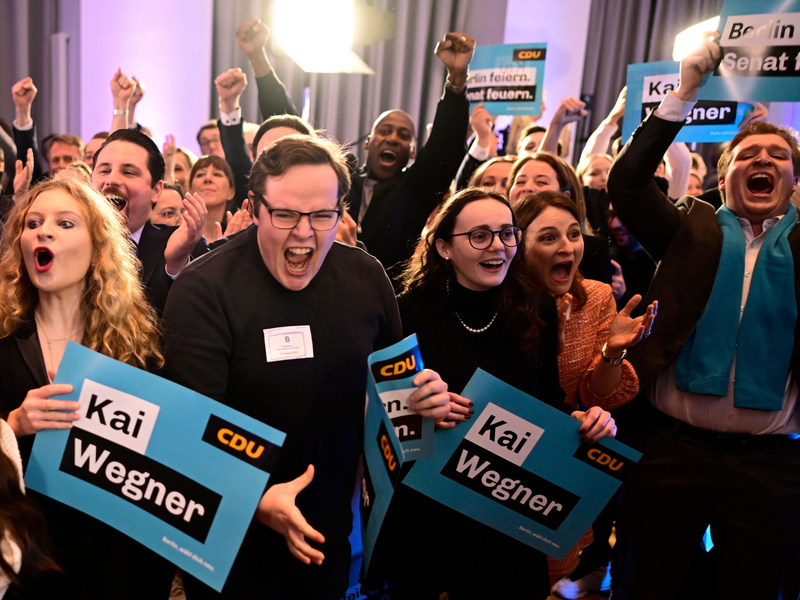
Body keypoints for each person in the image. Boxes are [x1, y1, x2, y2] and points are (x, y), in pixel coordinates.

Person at [161, 135, 449, 599]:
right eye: (286, 215)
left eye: (321, 215)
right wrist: (255, 498)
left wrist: (420, 401)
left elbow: (391, 400)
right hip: (228, 537)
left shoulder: (366, 279)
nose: (303, 232)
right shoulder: (204, 288)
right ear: (254, 208)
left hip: (327, 534)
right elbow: (192, 424)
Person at [608, 34, 800, 600]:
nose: (762, 160)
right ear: (724, 173)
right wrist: (686, 89)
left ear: (795, 180)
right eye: (748, 154)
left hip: (771, 468)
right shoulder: (689, 228)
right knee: (646, 585)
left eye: (779, 157)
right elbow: (627, 183)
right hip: (670, 453)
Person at [369, 188, 616, 600]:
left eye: (506, 233)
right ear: (444, 247)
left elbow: (547, 398)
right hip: (431, 507)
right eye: (480, 236)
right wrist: (417, 409)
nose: (498, 246)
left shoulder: (535, 305)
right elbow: (381, 415)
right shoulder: (408, 310)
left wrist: (580, 421)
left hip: (506, 506)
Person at [0, 178, 173, 599]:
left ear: (98, 246)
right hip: (26, 565)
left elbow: (168, 457)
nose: (44, 231)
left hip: (115, 565)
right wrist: (12, 425)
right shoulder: (3, 339)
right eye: (33, 223)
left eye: (64, 223)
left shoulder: (138, 346)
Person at [91, 128, 208, 314]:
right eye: (104, 170)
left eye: (128, 172)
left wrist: (176, 265)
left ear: (156, 191)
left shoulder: (185, 245)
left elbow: (197, 317)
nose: (112, 180)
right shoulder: (67, 243)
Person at [507, 152, 613, 285]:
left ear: (564, 196)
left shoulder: (592, 251)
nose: (527, 188)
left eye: (541, 182)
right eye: (520, 182)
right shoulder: (499, 244)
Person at [187, 155, 236, 242]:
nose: (207, 178)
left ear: (231, 192)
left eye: (217, 174)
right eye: (200, 175)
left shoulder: (238, 235)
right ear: (190, 190)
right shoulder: (176, 233)